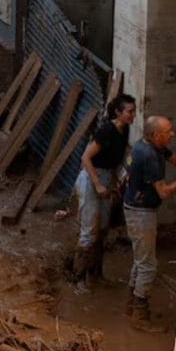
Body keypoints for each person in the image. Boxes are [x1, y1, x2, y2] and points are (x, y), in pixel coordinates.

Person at [122, 115, 176, 332]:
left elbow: (174, 160)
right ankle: (140, 316)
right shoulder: (149, 155)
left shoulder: (151, 145)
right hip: (140, 213)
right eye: (168, 131)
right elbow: (164, 192)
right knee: (148, 266)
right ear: (155, 135)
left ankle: (131, 306)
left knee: (140, 260)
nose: (172, 134)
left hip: (136, 208)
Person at [71, 93, 136, 294]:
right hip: (93, 178)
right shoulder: (106, 131)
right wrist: (98, 184)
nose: (133, 115)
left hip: (107, 178)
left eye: (134, 111)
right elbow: (86, 158)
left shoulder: (124, 131)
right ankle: (78, 279)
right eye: (130, 111)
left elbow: (117, 162)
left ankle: (96, 275)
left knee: (102, 230)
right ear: (118, 112)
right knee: (89, 231)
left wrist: (114, 185)